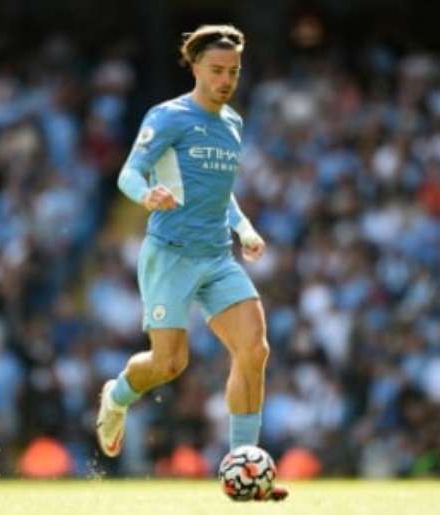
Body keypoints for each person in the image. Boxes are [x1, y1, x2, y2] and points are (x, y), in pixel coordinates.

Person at [95, 24, 288, 501]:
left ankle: (244, 467)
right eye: (218, 70)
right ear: (196, 66)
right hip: (170, 256)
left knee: (254, 349)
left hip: (217, 257)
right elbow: (129, 174)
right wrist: (148, 195)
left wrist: (243, 228)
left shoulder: (233, 124)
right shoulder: (169, 116)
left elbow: (220, 194)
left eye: (234, 72)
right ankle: (116, 396)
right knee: (169, 363)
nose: (226, 80)